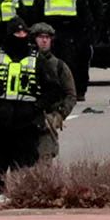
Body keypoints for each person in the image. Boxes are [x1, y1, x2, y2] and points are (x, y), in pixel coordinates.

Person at [0, 23, 47, 194]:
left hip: (26, 127)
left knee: (24, 173)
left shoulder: (37, 60)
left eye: (23, 32)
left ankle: (19, 206)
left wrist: (36, 108)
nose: (20, 36)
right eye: (17, 32)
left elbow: (53, 89)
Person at [39, 0, 96, 103]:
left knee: (70, 63)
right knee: (48, 63)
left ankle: (71, 92)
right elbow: (37, 9)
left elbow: (84, 9)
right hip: (50, 30)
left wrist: (87, 30)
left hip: (70, 30)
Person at [29, 22, 78, 161]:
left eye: (47, 37)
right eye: (40, 37)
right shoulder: (25, 62)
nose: (44, 41)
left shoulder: (59, 66)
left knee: (45, 163)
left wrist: (59, 115)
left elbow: (71, 94)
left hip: (47, 121)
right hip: (26, 121)